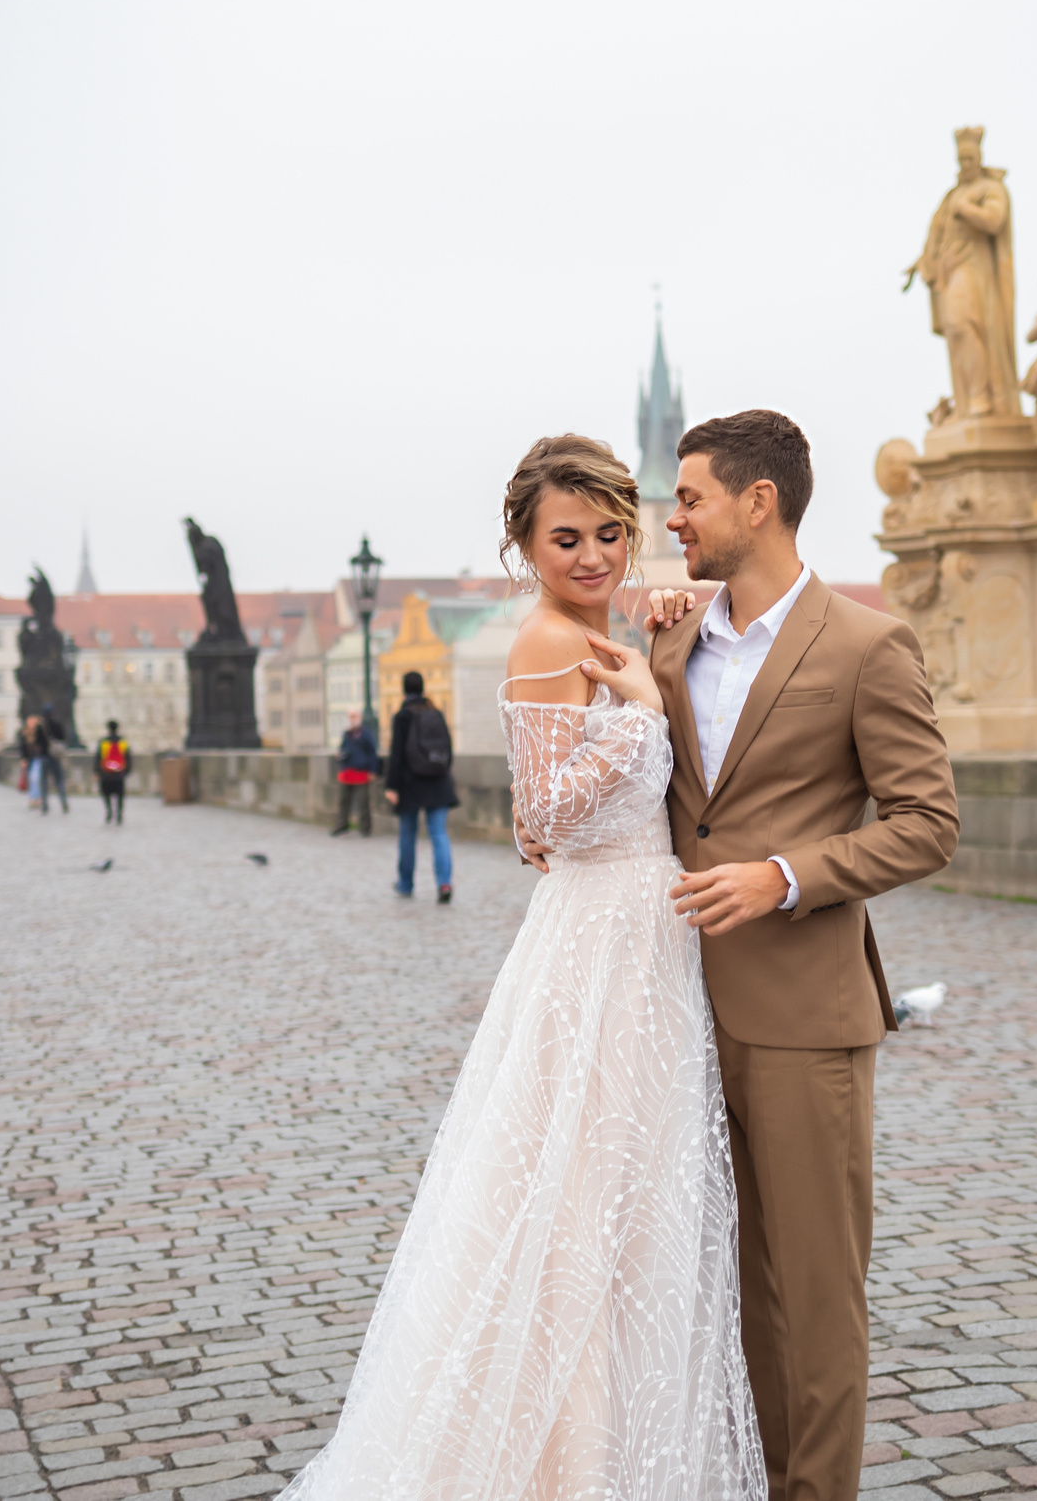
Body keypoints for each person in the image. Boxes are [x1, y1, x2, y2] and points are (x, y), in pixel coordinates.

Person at [283, 433, 762, 1500]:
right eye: (566, 539)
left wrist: (668, 605)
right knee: (583, 1198)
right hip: (603, 934)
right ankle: (564, 1464)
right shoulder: (547, 639)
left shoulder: (604, 622)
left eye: (610, 534)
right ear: (525, 547)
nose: (592, 557)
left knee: (623, 1195)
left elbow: (551, 801)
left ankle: (598, 1452)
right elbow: (543, 811)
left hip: (637, 927)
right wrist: (644, 711)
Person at [527, 409, 959, 1499]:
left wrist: (783, 877)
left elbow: (927, 824)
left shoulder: (867, 646)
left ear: (757, 503)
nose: (669, 520)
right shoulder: (669, 639)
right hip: (667, 1013)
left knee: (813, 1300)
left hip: (804, 1017)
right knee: (718, 1295)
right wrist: (541, 819)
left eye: (689, 500)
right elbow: (604, 781)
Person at [382, 671, 457, 903]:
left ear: (404, 689)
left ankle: (406, 883)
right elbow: (448, 749)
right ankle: (444, 883)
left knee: (408, 834)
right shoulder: (435, 712)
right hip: (438, 781)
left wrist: (391, 786)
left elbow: (396, 755)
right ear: (423, 688)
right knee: (439, 833)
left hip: (410, 783)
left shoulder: (402, 716)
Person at [328, 709, 378, 836]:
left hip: (361, 771)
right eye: (350, 716)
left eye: (354, 716)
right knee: (343, 801)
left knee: (363, 802)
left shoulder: (366, 734)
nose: (352, 719)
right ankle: (342, 824)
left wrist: (372, 771)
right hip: (347, 770)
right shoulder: (347, 734)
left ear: (359, 717)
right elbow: (343, 749)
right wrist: (340, 756)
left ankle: (365, 827)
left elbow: (372, 753)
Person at [94, 720, 131, 825]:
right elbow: (127, 757)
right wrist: (127, 771)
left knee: (106, 794)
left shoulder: (103, 742)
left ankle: (109, 811)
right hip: (119, 774)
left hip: (106, 774)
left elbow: (98, 757)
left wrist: (97, 771)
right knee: (120, 795)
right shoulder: (123, 742)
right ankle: (119, 814)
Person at [39, 703, 70, 810]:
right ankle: (63, 802)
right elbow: (63, 739)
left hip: (44, 756)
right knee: (59, 780)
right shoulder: (58, 725)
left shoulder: (41, 727)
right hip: (56, 756)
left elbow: (37, 741)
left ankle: (45, 804)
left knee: (44, 781)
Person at [19, 714, 53, 813]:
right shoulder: (24, 733)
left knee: (35, 778)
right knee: (31, 779)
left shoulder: (39, 732)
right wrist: (23, 759)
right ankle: (34, 798)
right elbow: (22, 747)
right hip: (29, 759)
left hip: (38, 758)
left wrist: (39, 728)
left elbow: (45, 743)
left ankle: (36, 798)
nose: (31, 724)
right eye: (29, 722)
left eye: (33, 722)